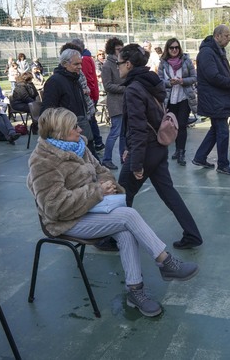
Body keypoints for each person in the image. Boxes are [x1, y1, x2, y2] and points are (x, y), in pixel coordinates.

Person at [27, 107, 198, 317]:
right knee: (128, 216)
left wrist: (107, 185)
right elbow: (54, 207)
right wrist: (97, 191)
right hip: (66, 221)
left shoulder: (78, 146)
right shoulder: (43, 161)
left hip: (92, 210)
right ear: (60, 132)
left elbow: (102, 171)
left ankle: (136, 291)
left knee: (126, 229)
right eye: (74, 127)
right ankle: (165, 261)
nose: (80, 130)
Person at [117, 44, 203, 250]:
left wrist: (136, 163)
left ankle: (113, 238)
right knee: (168, 192)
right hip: (157, 148)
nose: (117, 66)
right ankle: (192, 234)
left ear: (128, 64)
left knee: (120, 196)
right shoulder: (150, 83)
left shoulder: (134, 89)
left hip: (145, 151)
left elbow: (137, 128)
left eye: (119, 63)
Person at [192, 25, 230, 175]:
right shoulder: (207, 53)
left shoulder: (215, 52)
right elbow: (213, 77)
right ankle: (222, 164)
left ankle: (200, 157)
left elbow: (219, 74)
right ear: (217, 36)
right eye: (227, 36)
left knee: (216, 130)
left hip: (217, 99)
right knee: (222, 132)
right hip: (214, 99)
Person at [157, 38, 197, 166]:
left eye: (176, 47)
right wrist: (169, 83)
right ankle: (175, 150)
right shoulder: (163, 63)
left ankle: (181, 152)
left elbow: (194, 77)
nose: (174, 50)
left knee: (182, 125)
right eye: (171, 48)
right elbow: (159, 80)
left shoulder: (186, 61)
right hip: (169, 99)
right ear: (167, 49)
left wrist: (182, 81)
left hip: (184, 97)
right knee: (171, 126)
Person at [71, 39, 104, 152]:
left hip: (89, 95)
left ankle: (96, 143)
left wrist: (86, 90)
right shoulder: (87, 57)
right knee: (92, 120)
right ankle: (98, 142)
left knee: (89, 121)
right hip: (92, 92)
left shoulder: (84, 59)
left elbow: (87, 78)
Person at [100, 37, 126, 170]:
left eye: (122, 49)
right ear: (112, 50)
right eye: (118, 49)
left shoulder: (122, 62)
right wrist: (125, 88)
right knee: (115, 132)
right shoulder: (107, 65)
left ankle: (124, 157)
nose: (120, 51)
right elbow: (107, 86)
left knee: (123, 134)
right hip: (115, 103)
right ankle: (107, 159)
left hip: (124, 103)